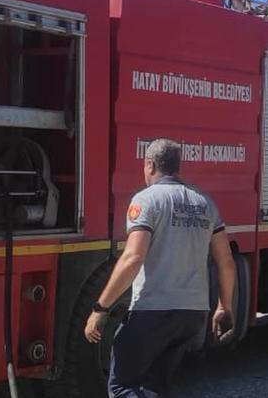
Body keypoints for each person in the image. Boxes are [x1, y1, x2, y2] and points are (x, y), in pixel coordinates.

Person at [84, 138, 237, 397]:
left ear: (150, 165)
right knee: (155, 387)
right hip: (192, 315)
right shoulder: (205, 203)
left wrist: (100, 308)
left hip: (154, 311)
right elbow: (226, 261)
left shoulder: (146, 200)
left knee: (122, 387)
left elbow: (133, 258)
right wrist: (225, 306)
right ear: (178, 167)